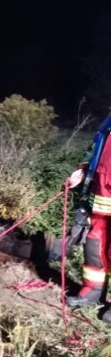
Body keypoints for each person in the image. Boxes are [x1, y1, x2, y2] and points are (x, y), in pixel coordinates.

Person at [65, 115, 111, 322]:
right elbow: (98, 144)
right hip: (102, 192)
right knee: (94, 242)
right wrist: (83, 168)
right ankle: (92, 290)